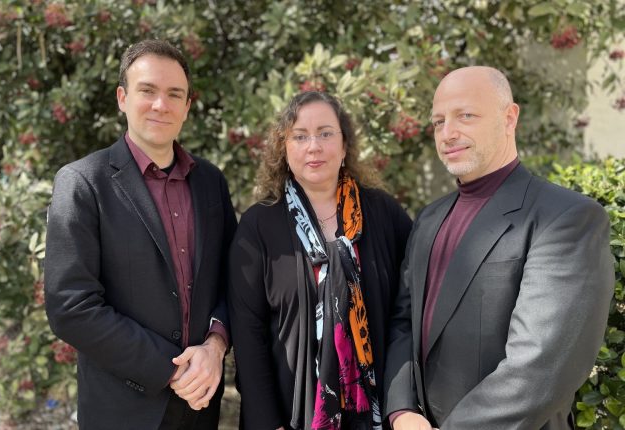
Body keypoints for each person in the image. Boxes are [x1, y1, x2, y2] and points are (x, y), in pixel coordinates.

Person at [383, 66, 614, 430]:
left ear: (510, 118)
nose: (448, 133)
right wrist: (401, 411)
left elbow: (539, 371)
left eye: (466, 116)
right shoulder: (429, 219)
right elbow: (402, 324)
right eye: (438, 121)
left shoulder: (566, 219)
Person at [44, 39, 237, 430]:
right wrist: (170, 369)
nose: (160, 105)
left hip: (200, 406)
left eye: (174, 94)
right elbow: (71, 307)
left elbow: (233, 281)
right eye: (147, 91)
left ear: (187, 106)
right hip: (122, 409)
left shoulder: (211, 182)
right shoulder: (83, 183)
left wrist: (215, 347)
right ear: (122, 97)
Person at [228, 91, 413, 430]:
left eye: (326, 133)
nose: (313, 146)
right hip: (290, 416)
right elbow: (248, 335)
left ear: (344, 147)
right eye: (300, 136)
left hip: (380, 414)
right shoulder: (258, 226)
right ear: (284, 149)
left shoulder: (384, 214)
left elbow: (411, 310)